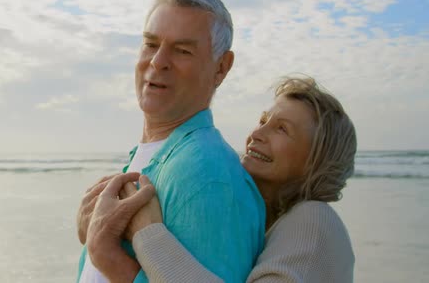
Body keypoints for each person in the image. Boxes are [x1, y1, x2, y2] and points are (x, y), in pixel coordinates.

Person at [76, 0, 266, 283]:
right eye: (151, 44)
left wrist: (105, 254)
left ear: (221, 68)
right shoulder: (157, 155)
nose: (158, 61)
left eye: (182, 51)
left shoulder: (207, 172)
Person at [87, 76, 357, 282]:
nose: (258, 134)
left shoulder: (314, 221)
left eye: (282, 129)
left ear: (317, 161)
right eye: (263, 120)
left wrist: (145, 234)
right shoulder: (260, 222)